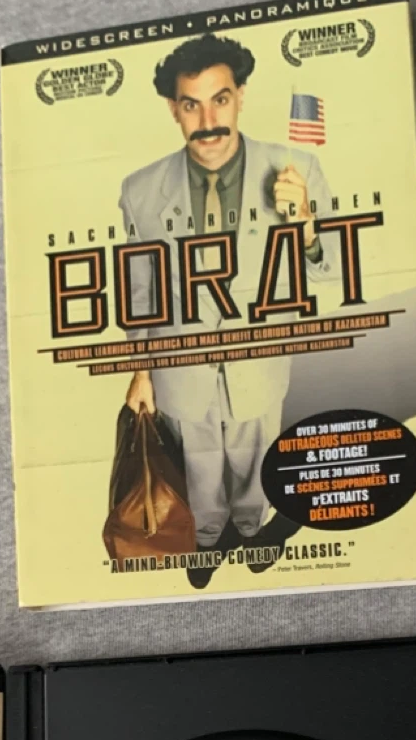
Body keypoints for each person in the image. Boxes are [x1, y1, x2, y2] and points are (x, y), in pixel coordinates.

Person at [120, 33, 338, 588]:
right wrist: (141, 370)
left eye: (220, 99)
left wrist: (306, 225)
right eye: (191, 104)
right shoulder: (140, 190)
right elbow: (139, 290)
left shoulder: (298, 169)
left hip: (259, 360)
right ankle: (209, 540)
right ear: (173, 109)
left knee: (252, 462)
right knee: (196, 467)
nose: (208, 119)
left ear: (240, 95)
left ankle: (250, 529)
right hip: (180, 364)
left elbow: (334, 272)